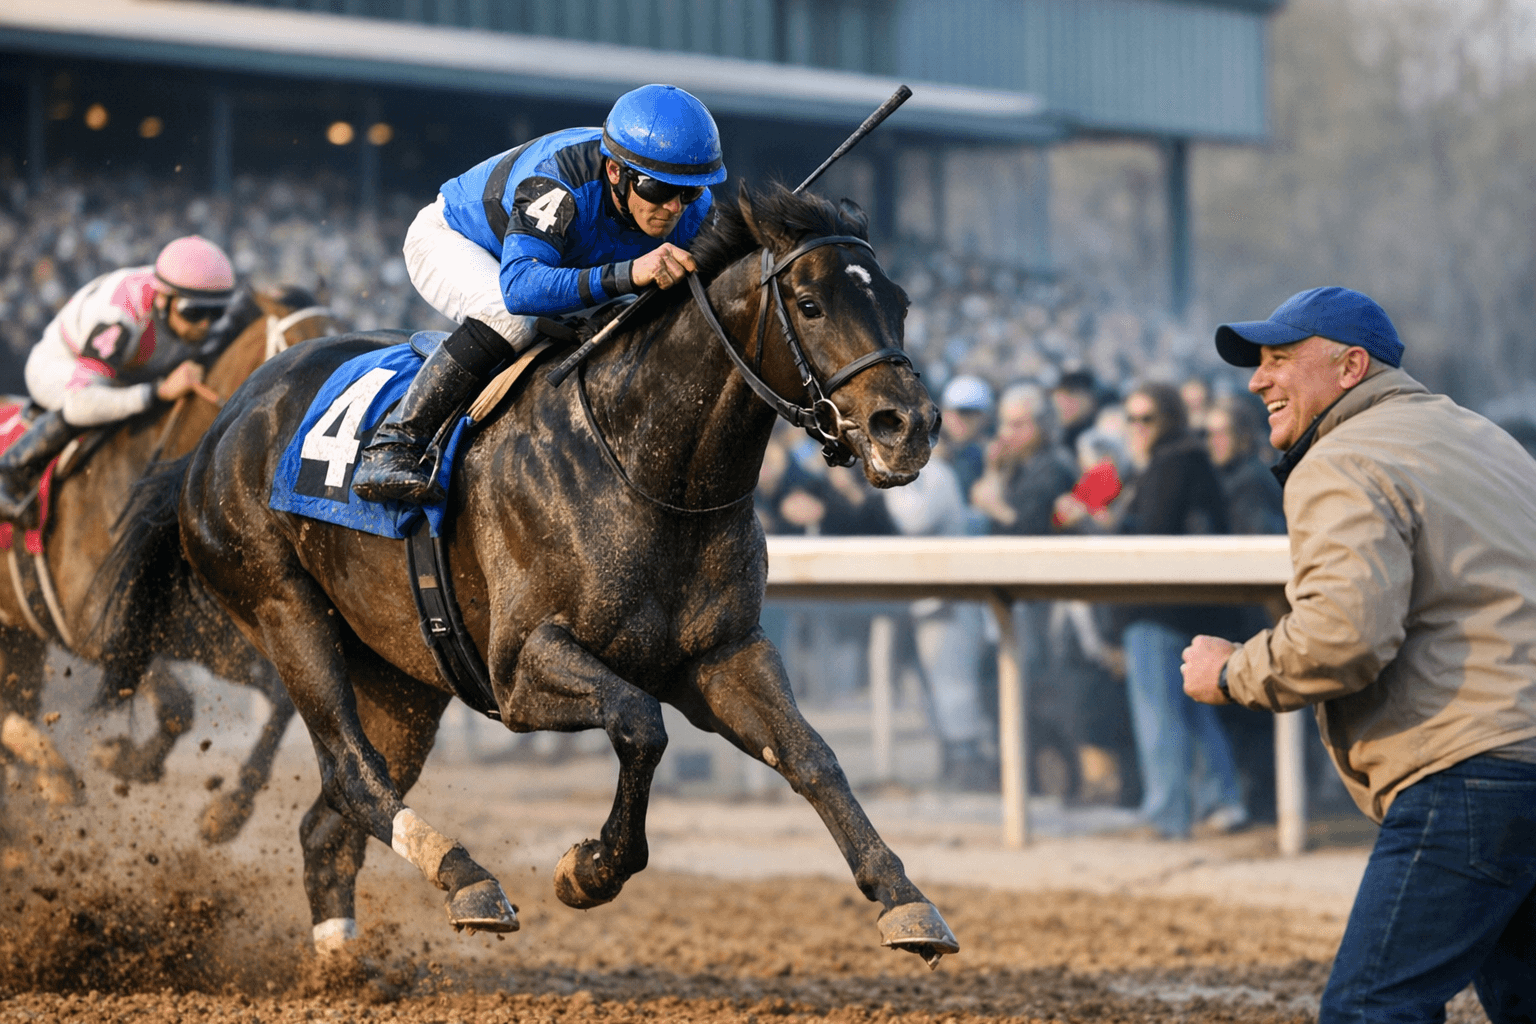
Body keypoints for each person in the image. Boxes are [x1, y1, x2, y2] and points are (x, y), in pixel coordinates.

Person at [1181, 286, 1536, 1023]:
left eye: (1281, 359)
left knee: (1371, 1008)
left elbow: (1345, 636)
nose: (1257, 381)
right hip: (1516, 760)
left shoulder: (1341, 457)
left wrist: (1232, 672)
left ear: (1351, 368)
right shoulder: (1488, 439)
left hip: (1469, 771)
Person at [351, 83, 727, 504]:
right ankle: (396, 444)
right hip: (460, 242)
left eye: (689, 191)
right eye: (658, 190)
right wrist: (630, 273)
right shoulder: (557, 180)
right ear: (615, 172)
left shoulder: (694, 208)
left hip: (558, 262)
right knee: (510, 319)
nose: (675, 207)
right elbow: (521, 289)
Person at [0, 235, 231, 519]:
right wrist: (158, 392)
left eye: (216, 312)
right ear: (163, 298)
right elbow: (80, 402)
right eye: (193, 312)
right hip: (64, 367)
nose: (206, 324)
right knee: (86, 412)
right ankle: (8, 473)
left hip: (127, 371)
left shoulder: (188, 304)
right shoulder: (119, 315)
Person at [1111, 381, 1247, 840]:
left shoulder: (1173, 462)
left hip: (1161, 607)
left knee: (1160, 714)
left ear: (1167, 419)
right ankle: (1221, 802)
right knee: (1192, 712)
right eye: (1131, 419)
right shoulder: (1181, 460)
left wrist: (1108, 524)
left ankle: (1167, 814)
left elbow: (1153, 533)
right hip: (1188, 608)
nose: (1137, 428)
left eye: (1146, 418)